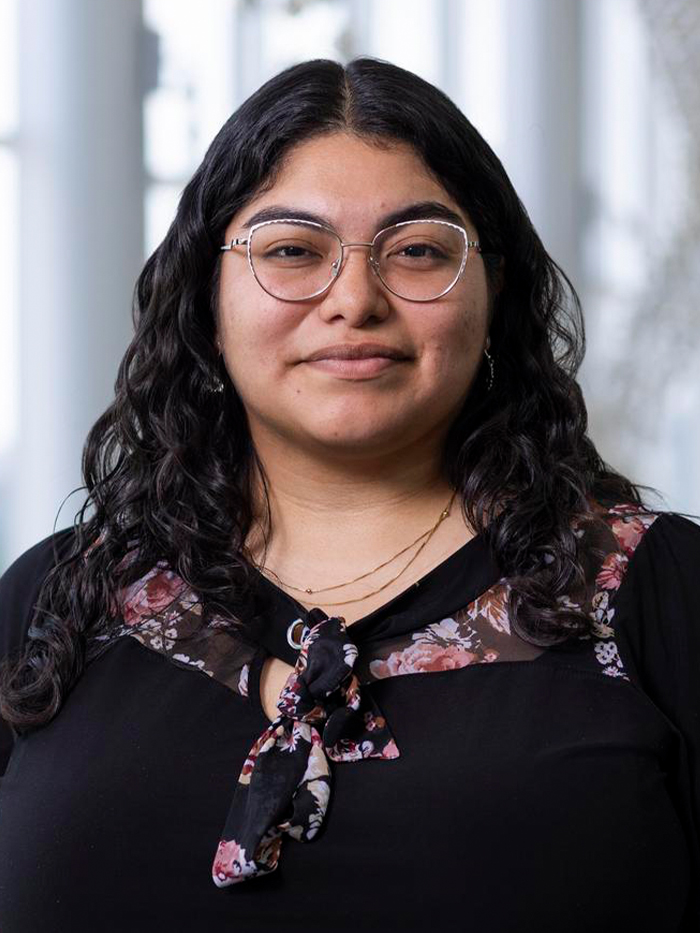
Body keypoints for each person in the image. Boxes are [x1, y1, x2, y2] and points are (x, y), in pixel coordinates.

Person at [0, 55, 698, 932]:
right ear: (205, 298)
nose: (355, 298)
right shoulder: (58, 603)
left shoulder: (654, 592)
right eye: (292, 250)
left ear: (494, 290)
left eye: (416, 251)